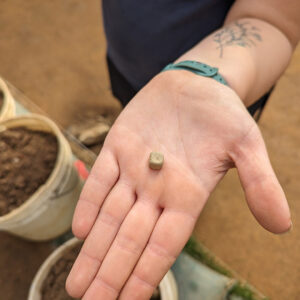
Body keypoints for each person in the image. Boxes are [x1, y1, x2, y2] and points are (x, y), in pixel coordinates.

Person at [66, 1, 300, 299]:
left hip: (214, 93)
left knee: (203, 160)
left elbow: (273, 20)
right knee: (128, 104)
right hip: (135, 80)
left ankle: (185, 196)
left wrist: (202, 74)